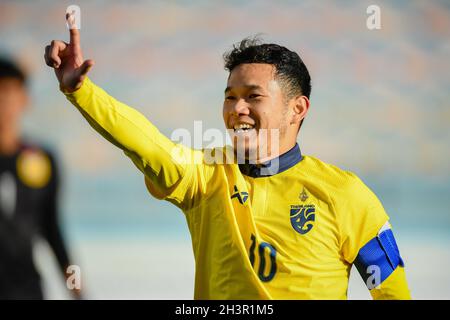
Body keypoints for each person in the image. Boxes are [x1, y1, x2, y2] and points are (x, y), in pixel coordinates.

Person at [43, 17, 411, 299]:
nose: (237, 109)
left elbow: (392, 292)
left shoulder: (345, 194)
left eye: (253, 96)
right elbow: (146, 145)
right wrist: (82, 92)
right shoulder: (205, 177)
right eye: (229, 96)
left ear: (296, 108)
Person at [0, 57, 79, 299]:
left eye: (8, 92)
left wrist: (77, 290)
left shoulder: (42, 160)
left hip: (26, 290)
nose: (3, 102)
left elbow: (52, 229)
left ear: (25, 99)